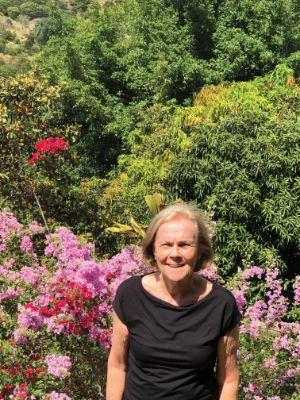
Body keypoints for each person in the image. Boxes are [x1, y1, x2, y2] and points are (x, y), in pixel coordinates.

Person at [106, 204, 241, 400]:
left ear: (200, 250)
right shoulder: (130, 295)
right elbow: (117, 365)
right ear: (153, 249)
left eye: (185, 245)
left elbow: (228, 379)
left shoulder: (221, 305)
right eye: (166, 244)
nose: (175, 254)